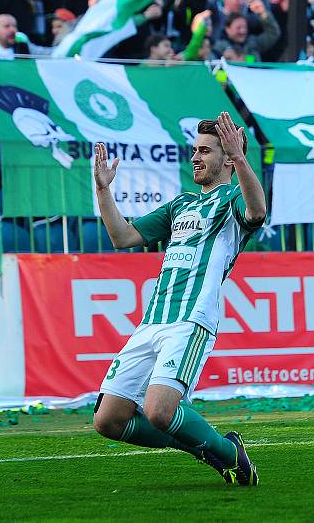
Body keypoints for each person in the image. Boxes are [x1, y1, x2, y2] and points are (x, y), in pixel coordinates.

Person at [91, 112, 266, 487]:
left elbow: (258, 211)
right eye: (194, 151)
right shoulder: (180, 205)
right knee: (108, 420)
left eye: (205, 151)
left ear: (227, 157)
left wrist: (241, 160)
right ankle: (214, 449)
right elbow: (123, 237)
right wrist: (104, 191)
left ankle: (228, 454)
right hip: (152, 321)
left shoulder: (233, 199)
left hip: (191, 321)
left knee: (158, 411)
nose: (196, 157)